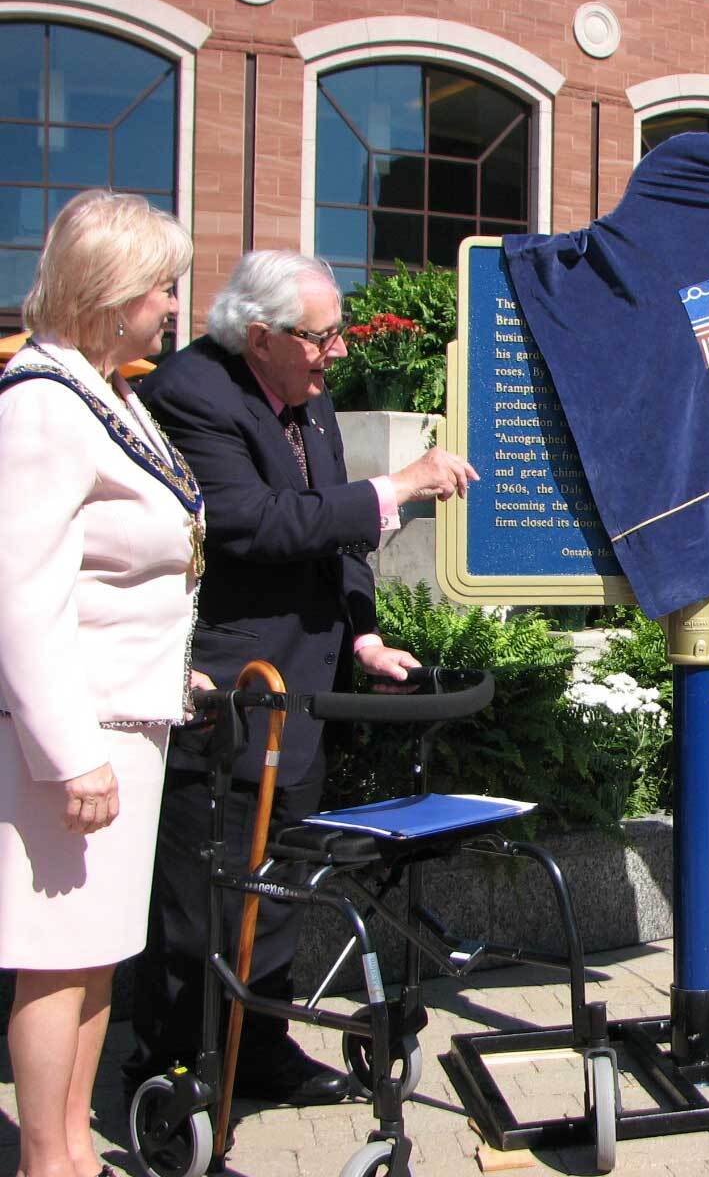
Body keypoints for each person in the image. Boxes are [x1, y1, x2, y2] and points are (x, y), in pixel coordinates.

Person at [125, 251, 478, 1105]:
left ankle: (261, 1052)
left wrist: (364, 635)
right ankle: (175, 1072)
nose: (339, 351)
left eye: (338, 332)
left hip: (302, 692)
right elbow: (253, 523)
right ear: (261, 338)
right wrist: (398, 485)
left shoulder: (308, 395)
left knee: (279, 883)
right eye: (322, 337)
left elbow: (336, 533)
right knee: (203, 895)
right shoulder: (190, 395)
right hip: (227, 691)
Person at [0, 190, 201, 1177]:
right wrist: (71, 753)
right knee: (57, 953)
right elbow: (21, 594)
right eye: (162, 285)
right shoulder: (42, 401)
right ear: (112, 290)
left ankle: (74, 1146)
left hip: (129, 722)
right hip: (76, 735)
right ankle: (48, 1160)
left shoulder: (106, 391)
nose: (173, 304)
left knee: (96, 950)